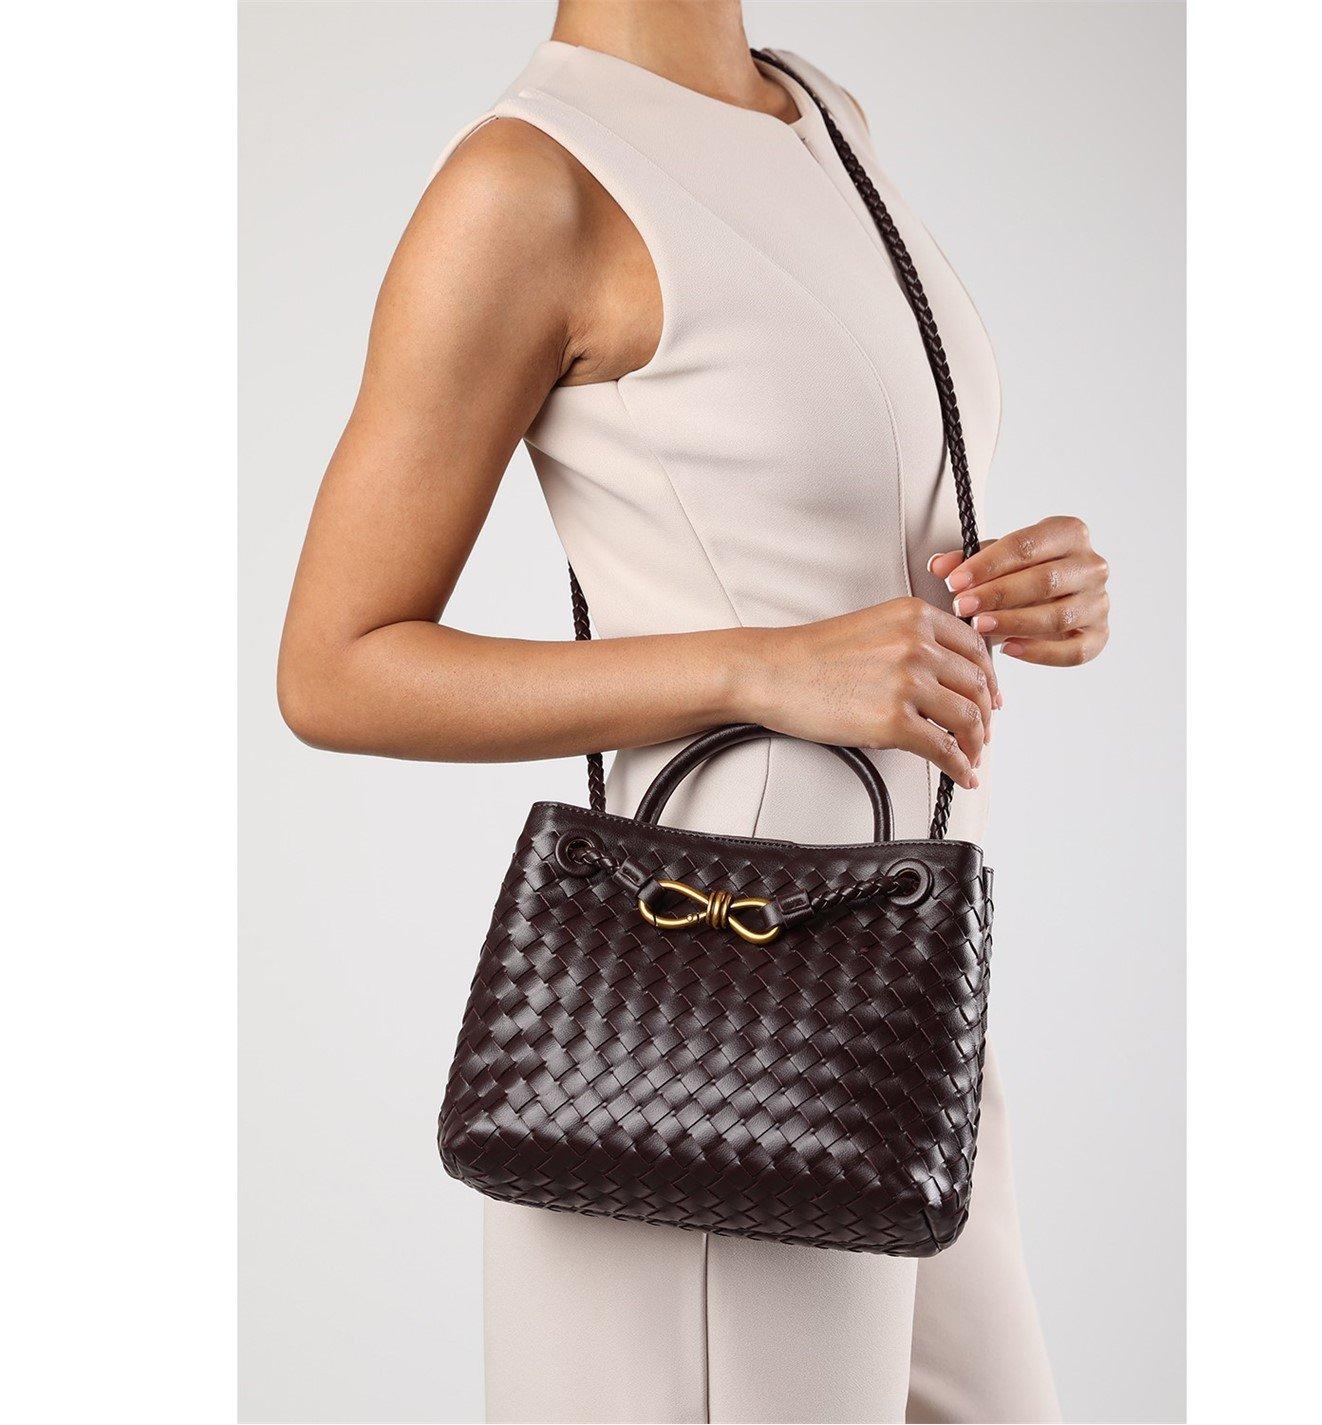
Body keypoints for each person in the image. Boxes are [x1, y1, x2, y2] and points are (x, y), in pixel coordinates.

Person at [279, 2, 1109, 1420]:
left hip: (902, 988)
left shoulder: (817, 114)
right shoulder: (528, 183)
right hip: (716, 1008)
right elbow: (335, 666)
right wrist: (751, 665)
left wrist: (1028, 586)